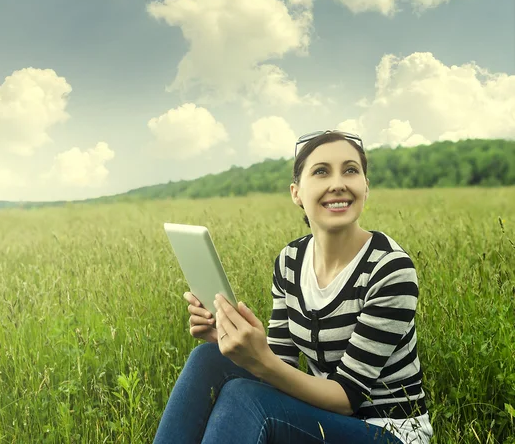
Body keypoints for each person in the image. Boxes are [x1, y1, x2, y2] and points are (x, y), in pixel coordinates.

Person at [153, 130, 433, 444]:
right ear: (296, 192)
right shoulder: (291, 260)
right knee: (208, 358)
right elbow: (281, 364)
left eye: (351, 170)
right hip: (321, 417)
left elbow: (347, 397)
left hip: (386, 432)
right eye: (321, 171)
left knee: (247, 398)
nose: (338, 183)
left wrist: (260, 358)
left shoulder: (389, 268)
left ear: (366, 187)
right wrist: (233, 342)